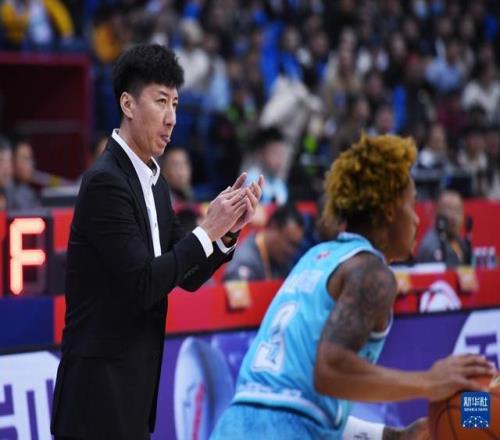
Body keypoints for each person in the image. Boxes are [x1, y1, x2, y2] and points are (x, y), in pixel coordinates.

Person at [211, 134, 495, 439]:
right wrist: (430, 381)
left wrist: (392, 436)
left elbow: (297, 402)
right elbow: (330, 371)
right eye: (411, 205)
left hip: (234, 427)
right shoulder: (372, 272)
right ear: (389, 210)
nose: (416, 220)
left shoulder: (316, 258)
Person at [50, 44, 263, 440]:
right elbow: (144, 283)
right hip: (95, 399)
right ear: (128, 104)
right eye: (161, 101)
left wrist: (227, 231)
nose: (172, 118)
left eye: (176, 104)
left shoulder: (155, 181)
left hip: (135, 393)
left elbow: (187, 275)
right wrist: (207, 230)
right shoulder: (105, 182)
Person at [223, 204, 304, 282]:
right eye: (289, 243)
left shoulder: (284, 262)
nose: (291, 251)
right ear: (274, 227)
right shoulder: (245, 261)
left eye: (296, 246)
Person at [416, 190, 470, 266]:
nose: (454, 217)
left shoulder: (461, 243)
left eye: (457, 210)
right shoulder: (431, 247)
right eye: (449, 209)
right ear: (437, 212)